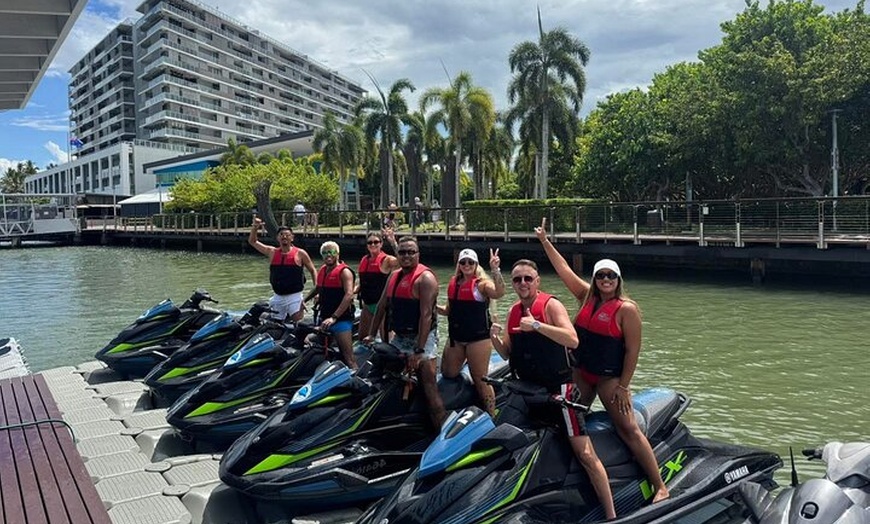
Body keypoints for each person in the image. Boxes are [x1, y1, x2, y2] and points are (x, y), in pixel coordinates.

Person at [535, 217, 670, 503]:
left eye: (611, 276)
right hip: (583, 372)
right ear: (595, 279)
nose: (606, 280)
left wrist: (623, 386)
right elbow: (563, 271)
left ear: (618, 280)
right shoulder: (586, 297)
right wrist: (545, 241)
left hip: (609, 379)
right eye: (601, 276)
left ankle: (659, 485)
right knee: (566, 421)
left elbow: (633, 350)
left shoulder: (627, 310)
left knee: (628, 429)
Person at [490, 259, 616, 520]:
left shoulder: (550, 305)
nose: (522, 283)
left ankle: (612, 514)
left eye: (527, 278)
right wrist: (494, 337)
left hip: (559, 392)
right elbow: (506, 354)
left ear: (537, 281)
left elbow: (572, 338)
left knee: (584, 453)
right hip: (528, 391)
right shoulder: (514, 311)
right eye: (517, 279)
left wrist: (537, 325)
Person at [362, 236, 446, 428]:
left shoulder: (425, 279)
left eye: (411, 252)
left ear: (418, 254)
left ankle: (440, 430)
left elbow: (425, 316)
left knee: (428, 385)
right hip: (400, 336)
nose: (406, 256)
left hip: (423, 337)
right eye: (402, 252)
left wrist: (419, 350)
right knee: (386, 374)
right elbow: (382, 305)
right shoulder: (394, 276)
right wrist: (371, 334)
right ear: (397, 255)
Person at [438, 248, 505, 416]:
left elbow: (499, 292)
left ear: (476, 265)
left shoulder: (481, 284)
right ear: (459, 264)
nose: (466, 265)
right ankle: (465, 397)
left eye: (470, 262)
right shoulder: (454, 283)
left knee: (480, 379)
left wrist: (495, 270)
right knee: (448, 373)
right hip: (457, 338)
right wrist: (430, 305)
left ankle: (491, 413)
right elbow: (447, 310)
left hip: (477, 339)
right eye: (463, 262)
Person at [248, 217, 316, 322]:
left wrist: (317, 291)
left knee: (297, 323)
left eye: (287, 235)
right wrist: (255, 227)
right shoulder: (272, 252)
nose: (284, 237)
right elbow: (253, 241)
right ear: (277, 238)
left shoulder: (300, 253)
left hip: (295, 296)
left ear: (292, 238)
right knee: (275, 325)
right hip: (278, 296)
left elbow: (313, 270)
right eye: (281, 235)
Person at [303, 241, 357, 370]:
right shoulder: (323, 270)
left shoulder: (345, 272)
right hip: (324, 318)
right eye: (325, 253)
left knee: (348, 357)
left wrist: (334, 317)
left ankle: (358, 379)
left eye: (331, 252)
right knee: (308, 341)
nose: (328, 255)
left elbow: (349, 295)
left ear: (337, 254)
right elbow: (318, 288)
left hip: (340, 320)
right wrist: (304, 300)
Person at [356, 229, 399, 342]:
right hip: (367, 305)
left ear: (381, 244)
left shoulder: (387, 260)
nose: (373, 244)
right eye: (370, 242)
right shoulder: (364, 260)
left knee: (386, 340)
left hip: (382, 307)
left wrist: (393, 242)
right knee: (362, 338)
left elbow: (403, 261)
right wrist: (350, 293)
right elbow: (362, 283)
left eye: (376, 242)